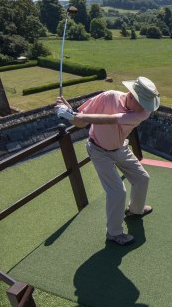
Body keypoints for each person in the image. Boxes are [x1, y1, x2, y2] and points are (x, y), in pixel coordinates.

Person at [57, 77, 160, 245]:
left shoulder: (143, 113)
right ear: (131, 95)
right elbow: (82, 123)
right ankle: (114, 233)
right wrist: (70, 115)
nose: (145, 108)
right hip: (98, 151)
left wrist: (74, 114)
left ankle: (134, 211)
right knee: (117, 192)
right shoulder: (108, 97)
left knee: (142, 179)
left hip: (120, 148)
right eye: (143, 103)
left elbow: (110, 119)